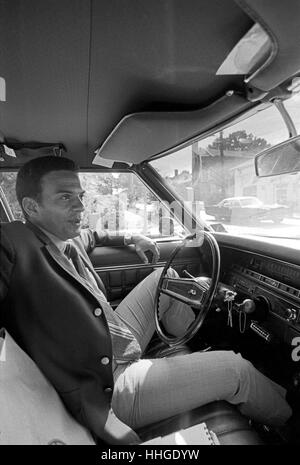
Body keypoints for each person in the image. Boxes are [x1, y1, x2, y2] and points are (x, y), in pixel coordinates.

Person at [0, 156, 292, 445]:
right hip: (108, 384)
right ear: (31, 207)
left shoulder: (67, 236)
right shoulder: (14, 242)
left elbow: (95, 235)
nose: (80, 206)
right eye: (65, 198)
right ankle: (291, 420)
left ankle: (194, 349)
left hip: (113, 336)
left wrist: (132, 237)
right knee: (235, 369)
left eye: (80, 196)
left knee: (163, 279)